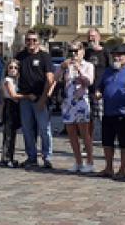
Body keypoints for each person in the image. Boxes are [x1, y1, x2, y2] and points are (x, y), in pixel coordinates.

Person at [94, 46, 125, 180]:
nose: (116, 57)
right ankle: (109, 168)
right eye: (114, 55)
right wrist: (98, 92)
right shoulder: (108, 71)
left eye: (120, 55)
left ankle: (122, 169)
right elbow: (100, 86)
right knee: (107, 142)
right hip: (108, 111)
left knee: (123, 142)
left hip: (124, 113)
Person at [16, 30, 55, 169]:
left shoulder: (45, 57)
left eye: (34, 40)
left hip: (40, 98)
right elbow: (13, 73)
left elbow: (50, 79)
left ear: (38, 41)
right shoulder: (20, 56)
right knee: (27, 129)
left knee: (44, 129)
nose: (31, 43)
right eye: (28, 40)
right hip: (25, 98)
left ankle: (47, 157)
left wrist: (43, 99)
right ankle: (31, 157)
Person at [56, 40, 95, 173]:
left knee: (85, 134)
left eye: (76, 51)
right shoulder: (66, 65)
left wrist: (79, 69)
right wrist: (62, 67)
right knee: (71, 134)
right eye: (71, 51)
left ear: (82, 51)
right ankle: (78, 162)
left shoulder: (88, 65)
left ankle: (90, 161)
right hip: (68, 103)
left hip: (81, 102)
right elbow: (55, 80)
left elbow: (89, 81)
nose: (73, 54)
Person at [84, 28, 112, 140]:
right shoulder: (86, 52)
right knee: (88, 120)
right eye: (89, 36)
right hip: (87, 91)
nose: (91, 38)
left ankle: (108, 142)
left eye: (94, 36)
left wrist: (103, 89)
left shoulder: (105, 52)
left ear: (99, 37)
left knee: (103, 119)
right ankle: (88, 143)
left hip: (100, 91)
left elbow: (110, 72)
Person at [0, 60, 22, 167]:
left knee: (13, 134)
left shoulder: (16, 80)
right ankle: (6, 158)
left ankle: (10, 157)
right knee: (8, 134)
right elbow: (13, 95)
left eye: (15, 68)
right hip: (10, 105)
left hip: (15, 106)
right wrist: (28, 96)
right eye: (10, 67)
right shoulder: (8, 80)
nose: (13, 69)